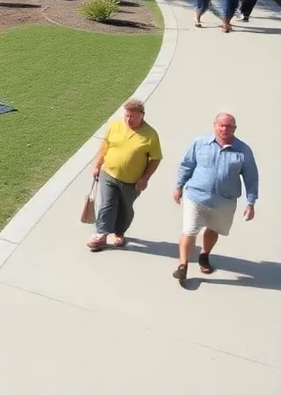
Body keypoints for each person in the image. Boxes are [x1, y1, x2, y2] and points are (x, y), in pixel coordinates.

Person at [171, 113, 258, 284]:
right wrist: (178, 186)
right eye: (221, 125)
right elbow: (187, 164)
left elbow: (251, 177)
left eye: (229, 126)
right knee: (189, 230)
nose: (224, 129)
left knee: (212, 229)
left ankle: (204, 255)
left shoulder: (243, 150)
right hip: (196, 196)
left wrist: (251, 202)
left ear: (234, 129)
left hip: (224, 201)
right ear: (215, 125)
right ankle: (183, 265)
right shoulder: (200, 143)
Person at [86, 99, 163, 251]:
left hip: (132, 181)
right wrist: (97, 166)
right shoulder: (115, 125)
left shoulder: (150, 135)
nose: (128, 120)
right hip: (109, 173)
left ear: (142, 116)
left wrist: (145, 179)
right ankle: (101, 235)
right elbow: (105, 147)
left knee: (125, 208)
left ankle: (119, 232)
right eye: (126, 116)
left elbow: (155, 159)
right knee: (107, 204)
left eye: (132, 117)